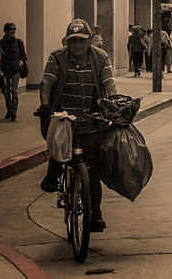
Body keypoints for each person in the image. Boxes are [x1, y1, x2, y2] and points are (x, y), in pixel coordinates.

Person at [37, 18, 117, 232]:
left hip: (92, 116)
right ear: (67, 42)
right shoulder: (57, 58)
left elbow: (109, 83)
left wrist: (115, 103)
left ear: (90, 40)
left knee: (92, 167)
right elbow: (46, 82)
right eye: (72, 41)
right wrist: (45, 105)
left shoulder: (100, 58)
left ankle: (96, 213)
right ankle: (53, 175)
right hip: (62, 113)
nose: (77, 45)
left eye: (81, 41)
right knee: (59, 148)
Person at [0, 22, 26, 122]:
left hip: (15, 70)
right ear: (6, 31)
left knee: (14, 91)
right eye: (10, 29)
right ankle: (9, 110)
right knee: (6, 92)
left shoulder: (19, 42)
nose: (13, 31)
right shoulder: (0, 43)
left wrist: (21, 63)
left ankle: (13, 111)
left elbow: (23, 55)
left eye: (14, 29)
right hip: (5, 70)